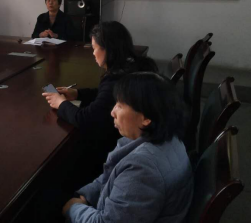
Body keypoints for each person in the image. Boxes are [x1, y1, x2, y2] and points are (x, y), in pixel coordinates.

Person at [63, 72, 193, 223]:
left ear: (146, 118)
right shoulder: (166, 136)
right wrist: (86, 196)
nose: (112, 112)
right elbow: (109, 176)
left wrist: (73, 209)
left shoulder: (143, 170)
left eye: (120, 105)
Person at [42, 21, 158, 177]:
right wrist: (77, 94)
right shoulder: (133, 65)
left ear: (108, 50)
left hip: (110, 145)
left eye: (94, 48)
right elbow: (107, 96)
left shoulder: (115, 79)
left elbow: (87, 119)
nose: (93, 53)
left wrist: (60, 103)